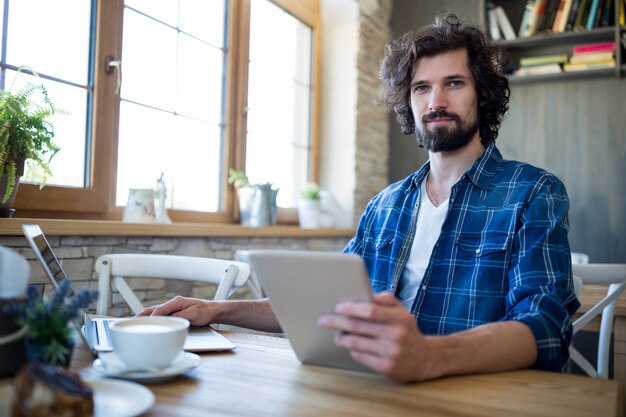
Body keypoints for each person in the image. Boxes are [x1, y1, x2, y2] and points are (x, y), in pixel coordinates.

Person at [138, 11, 580, 383]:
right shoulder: (384, 206)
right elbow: (327, 309)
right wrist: (215, 309)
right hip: (374, 392)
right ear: (408, 102)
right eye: (421, 88)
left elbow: (543, 329)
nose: (435, 102)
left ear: (481, 95)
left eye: (454, 84)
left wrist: (427, 356)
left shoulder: (534, 192)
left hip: (478, 399)